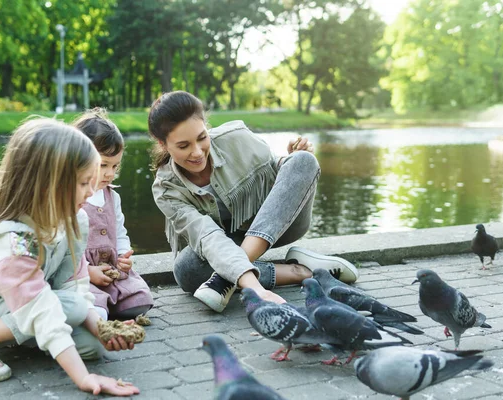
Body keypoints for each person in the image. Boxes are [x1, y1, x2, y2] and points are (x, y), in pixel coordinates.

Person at [0, 117, 140, 397]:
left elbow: (74, 285)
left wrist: (103, 329)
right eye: (84, 182)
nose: (92, 191)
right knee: (66, 309)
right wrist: (84, 379)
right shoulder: (13, 242)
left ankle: (31, 338)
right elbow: (47, 305)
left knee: (91, 346)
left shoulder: (75, 220)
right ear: (48, 185)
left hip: (33, 302)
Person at [149, 91, 358, 313]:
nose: (197, 152)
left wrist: (291, 159)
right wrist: (258, 289)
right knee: (187, 271)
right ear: (163, 144)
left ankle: (224, 279)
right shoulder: (166, 189)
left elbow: (275, 173)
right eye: (183, 146)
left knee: (303, 161)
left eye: (202, 137)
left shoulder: (236, 137)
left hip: (280, 225)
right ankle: (302, 271)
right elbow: (208, 238)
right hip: (225, 242)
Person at [71, 108, 154, 321]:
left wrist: (123, 255)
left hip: (110, 266)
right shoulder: (70, 197)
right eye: (103, 165)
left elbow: (120, 232)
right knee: (90, 299)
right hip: (80, 270)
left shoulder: (111, 197)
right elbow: (65, 245)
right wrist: (87, 271)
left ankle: (118, 304)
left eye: (115, 166)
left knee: (140, 297)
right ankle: (97, 310)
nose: (109, 173)